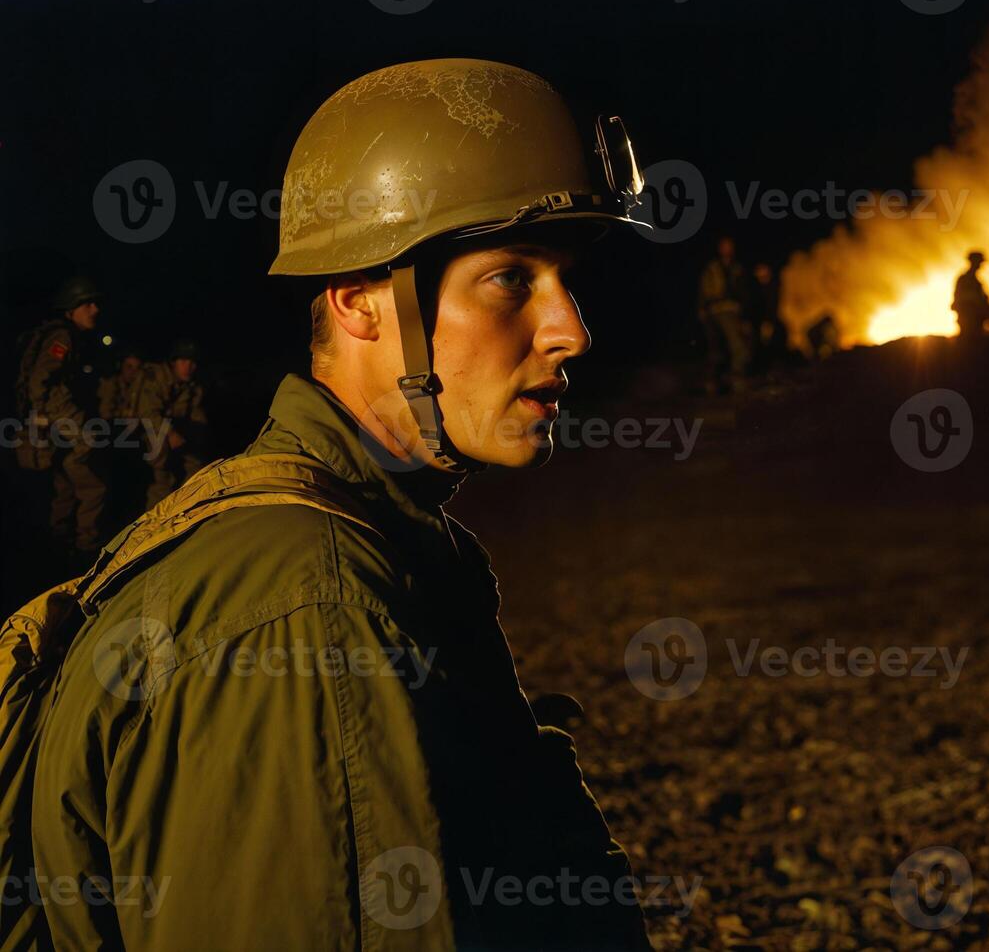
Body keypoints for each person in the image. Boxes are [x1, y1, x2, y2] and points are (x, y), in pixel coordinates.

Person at [30, 59, 652, 951]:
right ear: (362, 303)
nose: (571, 330)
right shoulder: (309, 605)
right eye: (512, 278)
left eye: (564, 279)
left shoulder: (378, 538)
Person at [12, 276, 107, 560]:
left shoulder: (62, 335)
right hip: (60, 417)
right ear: (71, 308)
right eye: (87, 304)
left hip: (53, 420)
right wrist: (64, 418)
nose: (95, 309)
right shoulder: (62, 337)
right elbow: (42, 381)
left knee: (64, 483)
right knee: (93, 485)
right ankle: (86, 545)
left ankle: (60, 540)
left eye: (95, 303)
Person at [136, 339, 209, 506]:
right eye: (183, 361)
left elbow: (196, 415)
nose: (188, 367)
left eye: (192, 362)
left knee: (195, 467)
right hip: (144, 432)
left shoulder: (192, 385)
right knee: (162, 478)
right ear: (173, 363)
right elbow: (147, 413)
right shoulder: (156, 377)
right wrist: (171, 433)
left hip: (172, 432)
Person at [697, 235, 754, 392]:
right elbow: (704, 291)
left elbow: (745, 293)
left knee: (738, 347)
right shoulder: (712, 268)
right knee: (716, 348)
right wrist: (702, 310)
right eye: (724, 246)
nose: (727, 249)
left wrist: (744, 314)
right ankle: (714, 382)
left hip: (732, 312)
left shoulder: (737, 269)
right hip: (715, 312)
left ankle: (736, 380)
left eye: (729, 246)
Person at [750, 261, 789, 368]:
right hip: (761, 322)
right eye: (758, 271)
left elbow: (774, 305)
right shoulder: (755, 288)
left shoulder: (774, 286)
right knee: (761, 345)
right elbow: (755, 307)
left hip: (774, 320)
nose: (761, 274)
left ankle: (777, 367)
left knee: (775, 343)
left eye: (763, 270)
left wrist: (769, 322)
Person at [951, 251, 989, 343]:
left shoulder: (975, 280)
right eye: (979, 262)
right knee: (968, 341)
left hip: (975, 317)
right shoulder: (965, 280)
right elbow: (966, 298)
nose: (981, 265)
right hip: (969, 317)